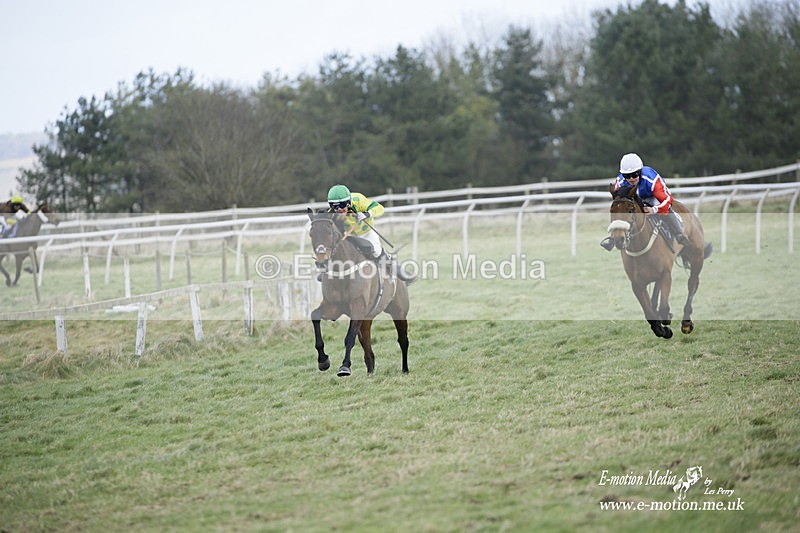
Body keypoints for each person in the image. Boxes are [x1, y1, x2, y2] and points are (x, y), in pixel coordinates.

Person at [325, 184, 414, 282]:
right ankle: (326, 272)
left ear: (348, 202)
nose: (338, 209)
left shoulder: (358, 200)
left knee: (376, 251)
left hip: (366, 233)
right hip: (350, 236)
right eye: (334, 206)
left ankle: (392, 266)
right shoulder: (332, 213)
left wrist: (366, 214)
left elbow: (379, 208)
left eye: (341, 205)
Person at [613, 153, 688, 245]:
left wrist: (654, 210)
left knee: (664, 208)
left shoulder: (650, 178)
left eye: (634, 174)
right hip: (634, 199)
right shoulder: (620, 182)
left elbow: (668, 200)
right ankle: (614, 238)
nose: (631, 179)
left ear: (640, 171)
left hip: (652, 197)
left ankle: (678, 232)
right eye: (627, 176)